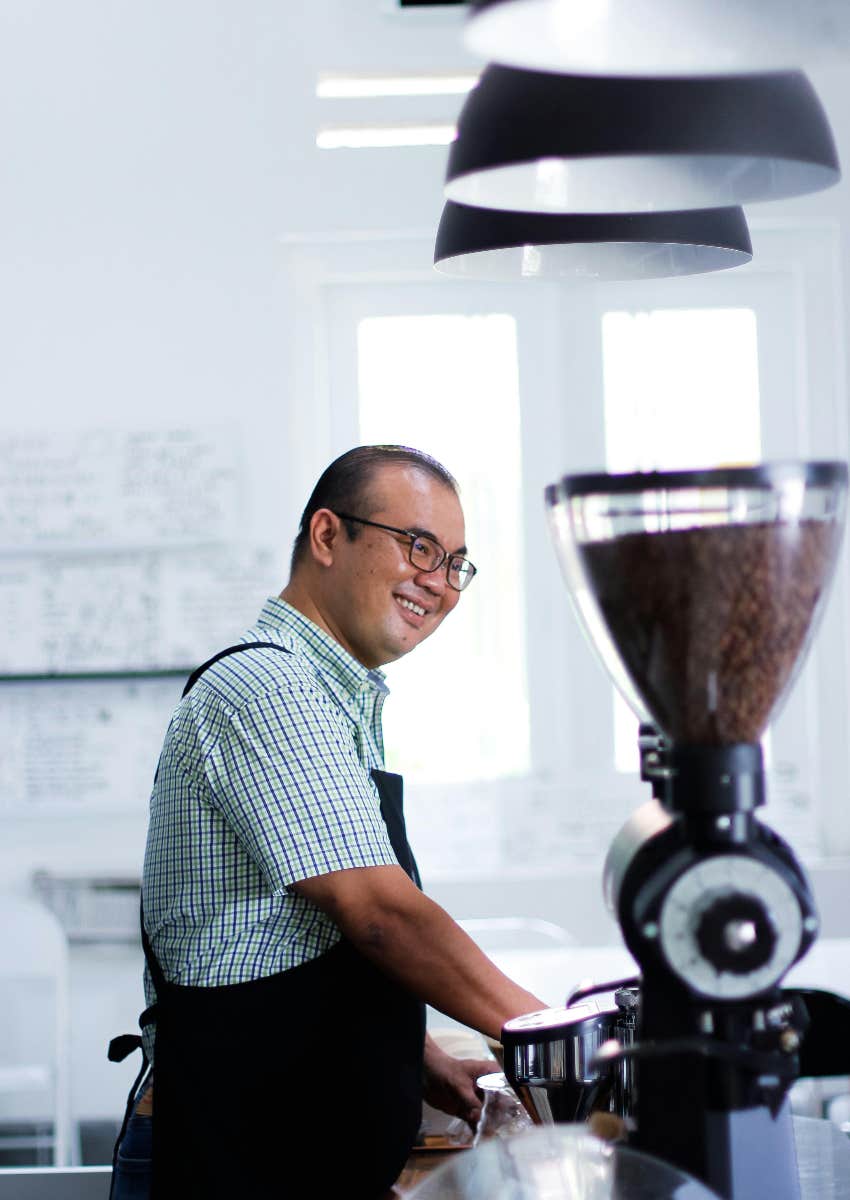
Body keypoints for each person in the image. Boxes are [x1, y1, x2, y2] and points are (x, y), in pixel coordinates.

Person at [110, 445, 545, 1200]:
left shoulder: (332, 697)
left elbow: (280, 941)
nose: (438, 583)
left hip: (295, 1154)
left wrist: (417, 1055)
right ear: (326, 536)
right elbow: (377, 912)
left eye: (456, 563)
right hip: (237, 1163)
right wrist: (555, 1039)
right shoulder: (269, 685)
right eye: (418, 546)